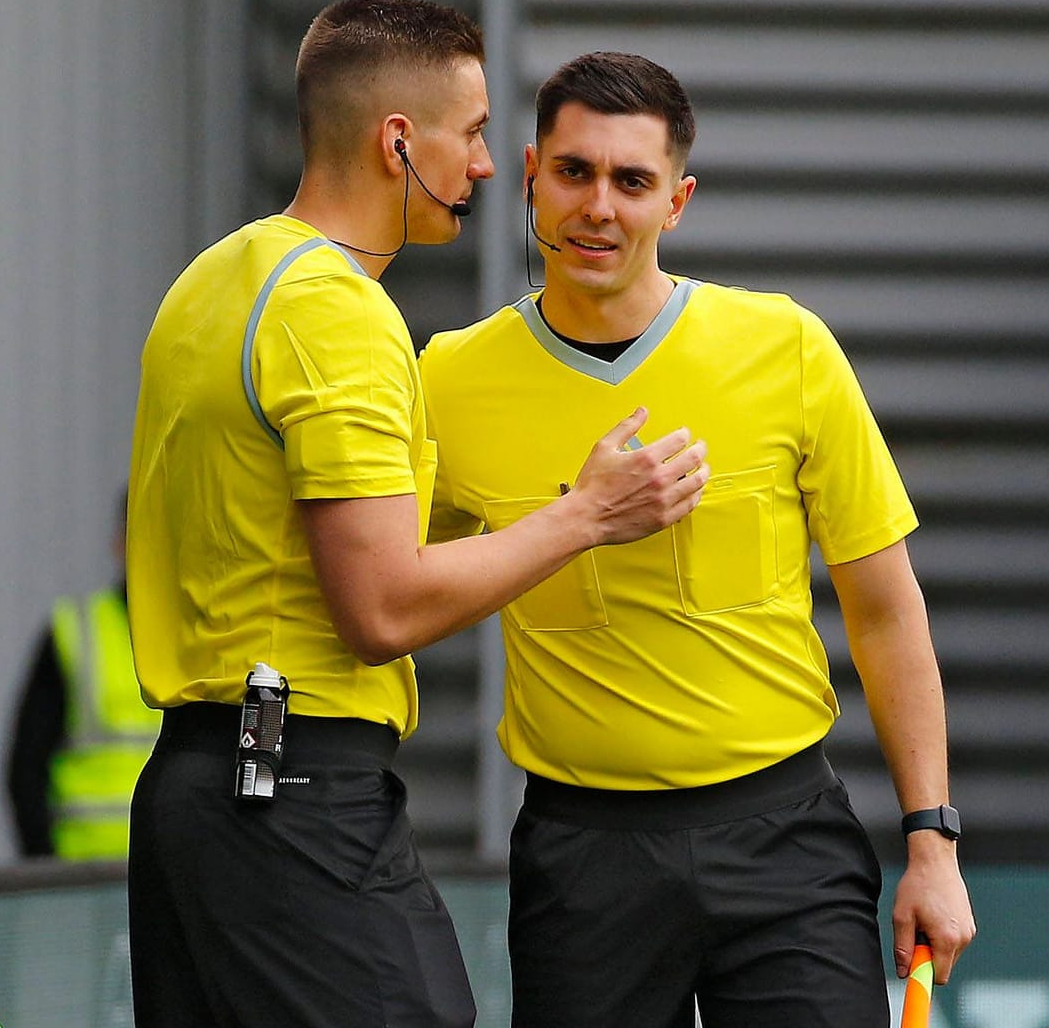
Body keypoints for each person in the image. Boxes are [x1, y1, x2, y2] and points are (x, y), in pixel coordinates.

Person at [125, 0, 709, 1028]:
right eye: (475, 133)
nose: (489, 166)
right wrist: (584, 517)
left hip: (196, 787)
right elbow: (381, 610)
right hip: (292, 787)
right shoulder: (337, 314)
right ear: (400, 141)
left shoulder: (215, 280)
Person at [419, 51, 977, 1027]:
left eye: (632, 182)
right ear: (530, 173)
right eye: (575, 172)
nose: (599, 205)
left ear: (676, 202)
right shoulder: (450, 381)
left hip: (786, 841)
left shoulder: (787, 349)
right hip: (581, 854)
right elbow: (392, 588)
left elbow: (886, 611)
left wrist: (932, 843)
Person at [6, 494, 157, 860]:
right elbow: (25, 769)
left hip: (171, 877)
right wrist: (46, 869)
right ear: (119, 542)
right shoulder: (75, 632)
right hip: (82, 878)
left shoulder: (203, 634)